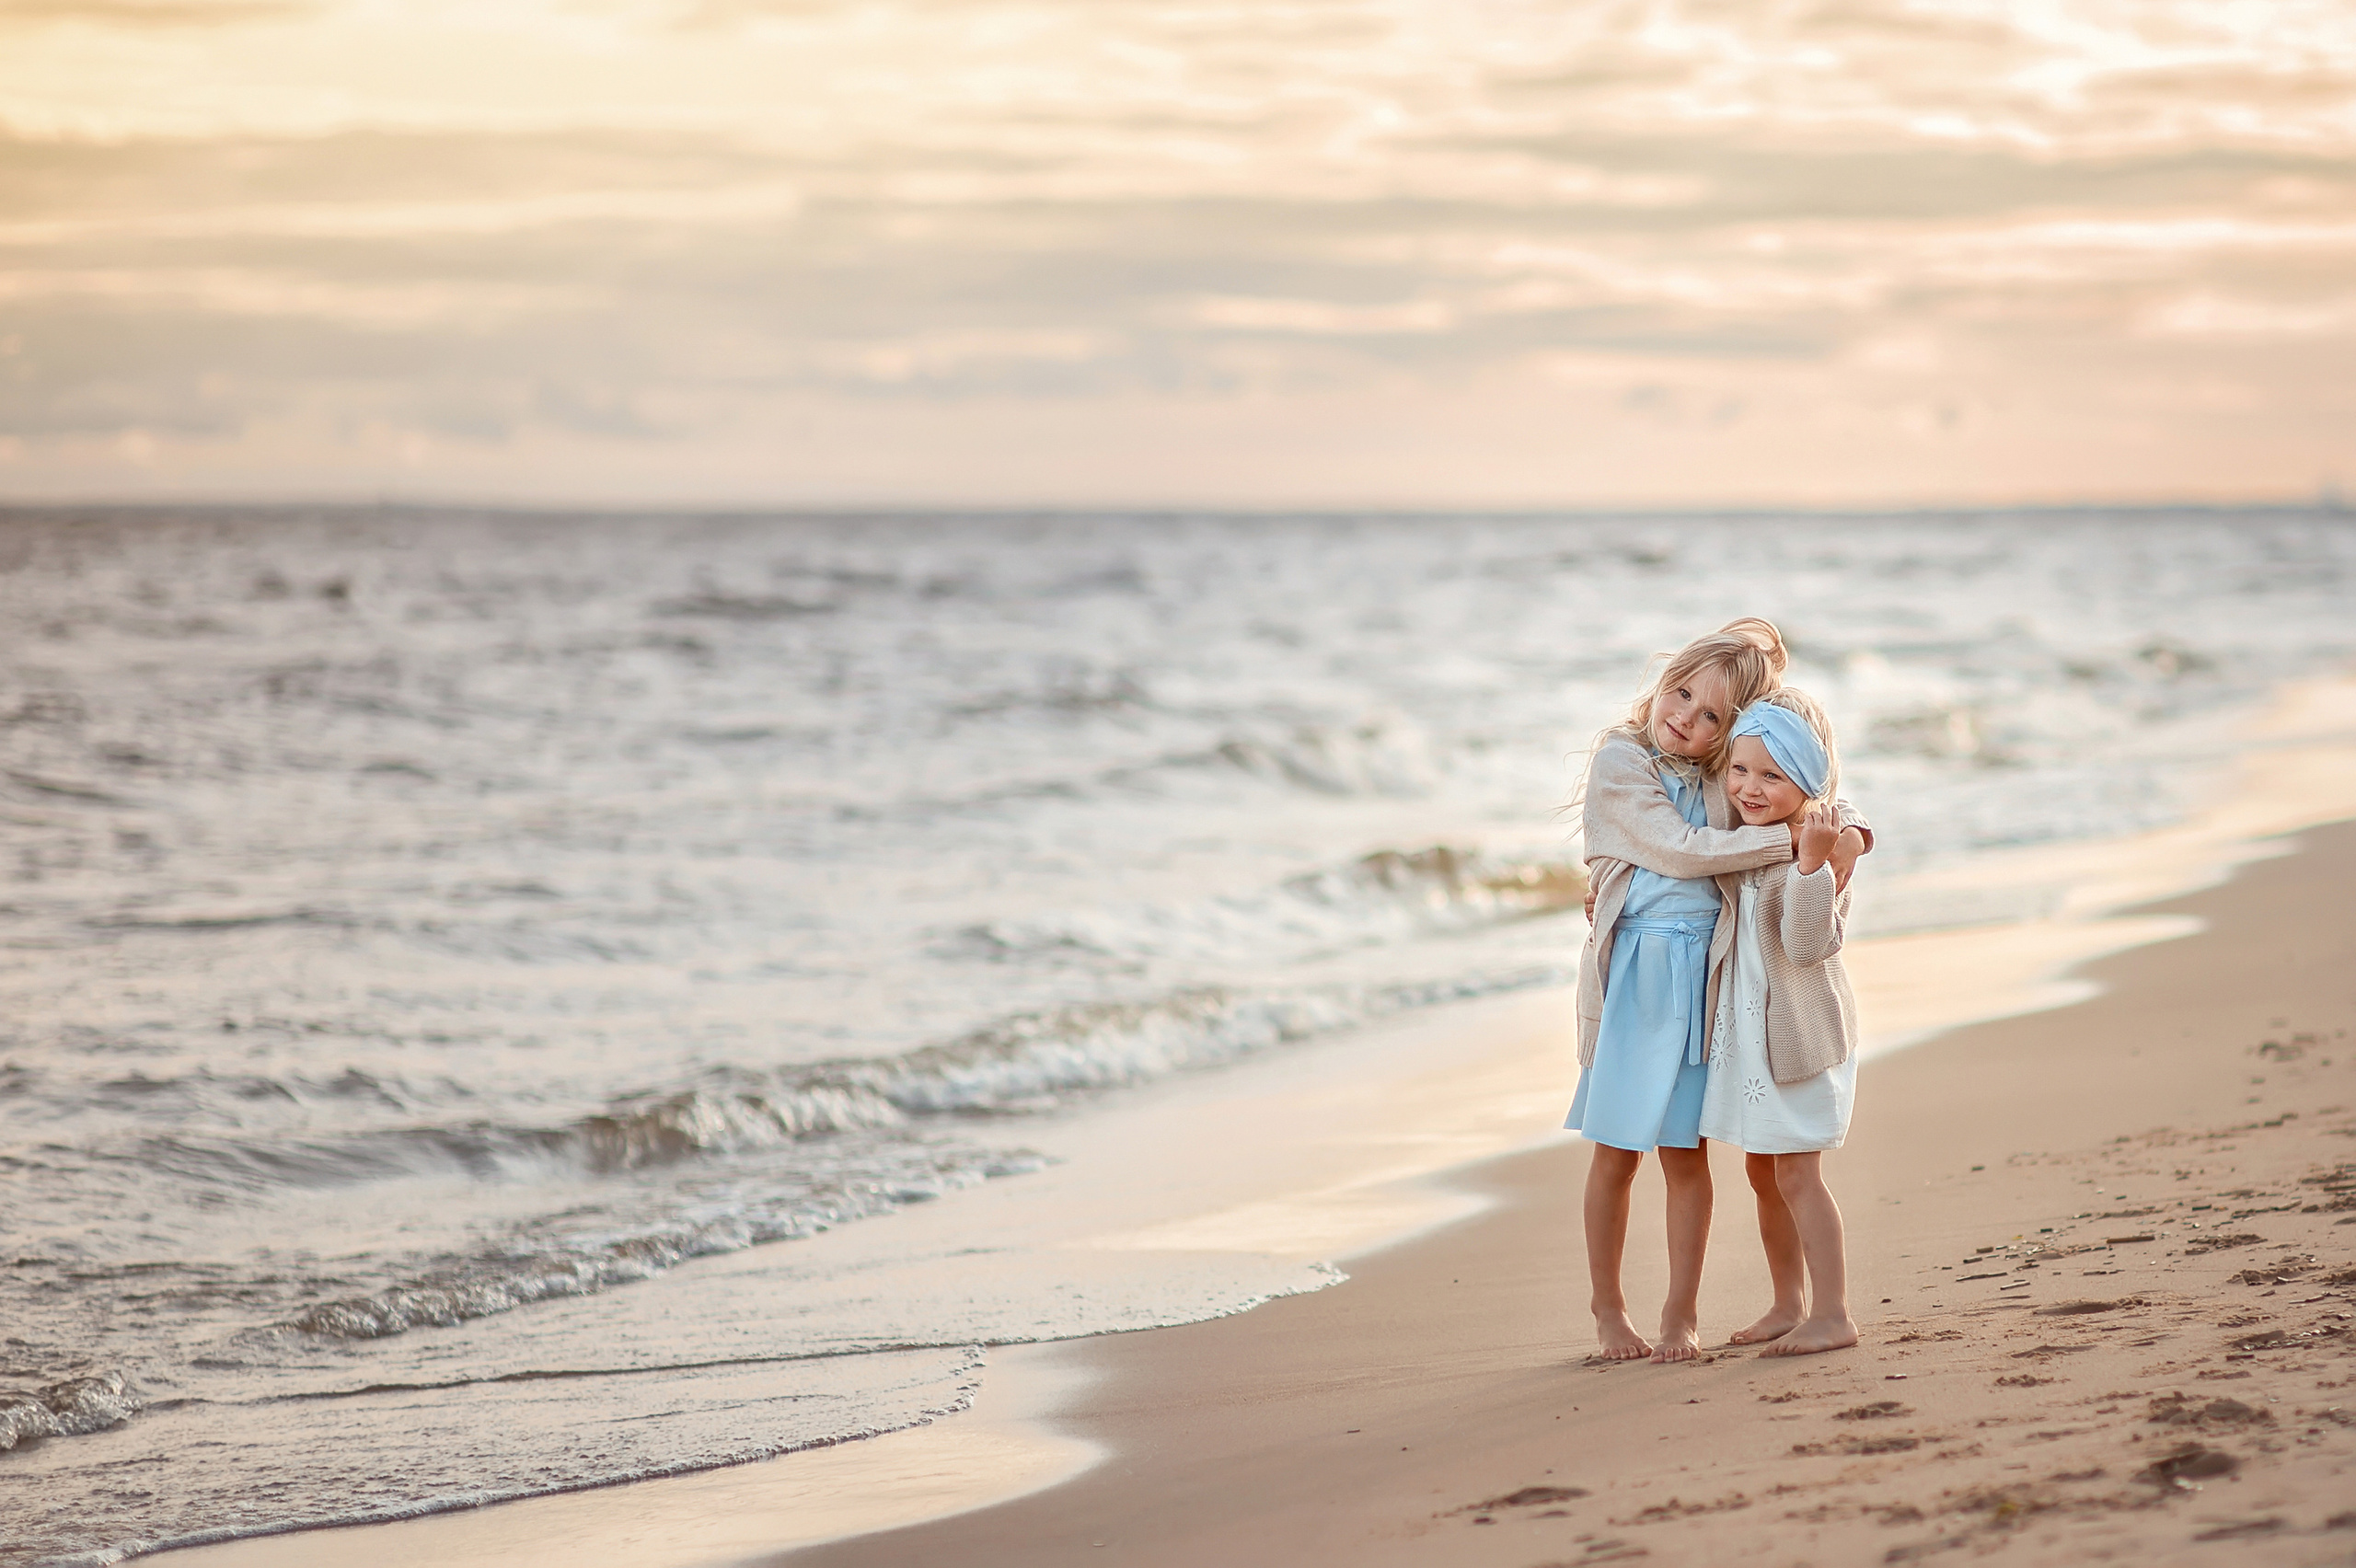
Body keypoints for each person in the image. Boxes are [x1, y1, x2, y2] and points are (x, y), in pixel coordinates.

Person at [1568, 619, 1870, 1363]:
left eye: (1712, 718)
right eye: (1681, 696)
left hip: (1711, 981)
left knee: (1687, 1154)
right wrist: (1801, 845)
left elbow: (1808, 785)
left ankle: (1680, 1317)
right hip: (1638, 978)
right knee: (1615, 1152)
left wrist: (1847, 835)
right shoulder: (1622, 759)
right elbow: (1678, 848)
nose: (1688, 722)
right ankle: (1609, 1313)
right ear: (1663, 681)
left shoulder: (1724, 768)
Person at [1696, 689, 1862, 1356]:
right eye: (1740, 770)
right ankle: (1787, 1302)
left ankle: (1833, 1312)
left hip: (1797, 1036)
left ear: (1807, 784)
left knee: (1798, 1175)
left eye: (1772, 776)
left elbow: (1804, 944)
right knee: (1763, 1174)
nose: (1750, 787)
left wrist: (1814, 865)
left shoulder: (1814, 848)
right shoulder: (1747, 836)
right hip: (1753, 1039)